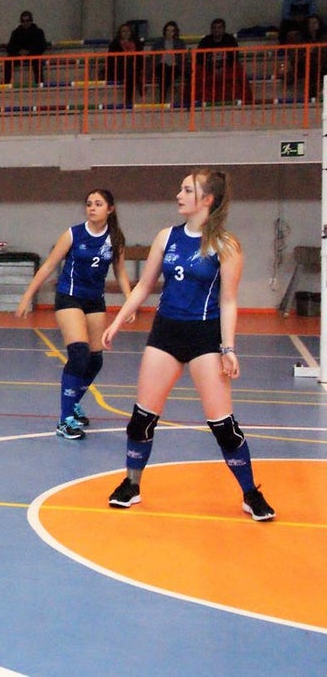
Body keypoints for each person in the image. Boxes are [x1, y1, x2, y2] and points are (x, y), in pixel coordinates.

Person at [101, 169, 275, 522]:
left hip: (205, 337)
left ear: (207, 200)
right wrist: (118, 321)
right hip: (166, 333)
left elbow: (228, 300)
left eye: (187, 190)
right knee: (141, 420)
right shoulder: (167, 237)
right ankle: (131, 485)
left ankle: (250, 493)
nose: (179, 195)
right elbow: (145, 285)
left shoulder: (226, 245)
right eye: (180, 188)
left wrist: (229, 348)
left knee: (223, 425)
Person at [15, 189, 133, 440]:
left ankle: (74, 402)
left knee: (95, 358)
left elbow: (120, 271)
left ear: (110, 209)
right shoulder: (73, 234)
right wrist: (27, 296)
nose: (92, 208)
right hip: (69, 296)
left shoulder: (115, 238)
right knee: (79, 353)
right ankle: (65, 420)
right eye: (89, 204)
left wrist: (130, 301)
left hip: (95, 300)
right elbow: (49, 265)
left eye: (98, 204)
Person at [194, 18, 252, 104]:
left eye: (219, 27)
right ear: (211, 29)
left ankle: (246, 99)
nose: (217, 30)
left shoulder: (230, 40)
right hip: (208, 69)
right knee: (197, 70)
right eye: (214, 28)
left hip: (227, 69)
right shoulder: (205, 41)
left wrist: (223, 67)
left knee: (238, 68)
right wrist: (212, 68)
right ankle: (197, 100)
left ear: (224, 29)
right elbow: (200, 59)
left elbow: (234, 57)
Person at [148, 20, 188, 105]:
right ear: (164, 31)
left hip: (175, 66)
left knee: (168, 73)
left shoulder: (180, 43)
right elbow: (153, 56)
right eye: (167, 30)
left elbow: (182, 58)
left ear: (175, 32)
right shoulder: (158, 43)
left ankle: (163, 99)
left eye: (172, 31)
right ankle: (165, 95)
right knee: (164, 71)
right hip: (160, 66)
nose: (169, 33)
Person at [105, 22, 144, 105]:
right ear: (120, 33)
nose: (126, 33)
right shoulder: (115, 44)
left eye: (128, 31)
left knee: (131, 71)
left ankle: (129, 97)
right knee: (130, 69)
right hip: (119, 69)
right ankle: (136, 86)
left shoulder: (136, 43)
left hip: (133, 69)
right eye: (124, 31)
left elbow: (140, 58)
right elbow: (111, 60)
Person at [4, 10, 47, 85]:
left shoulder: (38, 32)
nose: (25, 23)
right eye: (23, 21)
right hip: (18, 55)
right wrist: (19, 51)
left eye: (27, 20)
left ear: (31, 21)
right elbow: (10, 47)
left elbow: (42, 46)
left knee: (37, 60)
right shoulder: (16, 32)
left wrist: (29, 51)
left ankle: (40, 83)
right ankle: (6, 83)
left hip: (33, 54)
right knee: (8, 61)